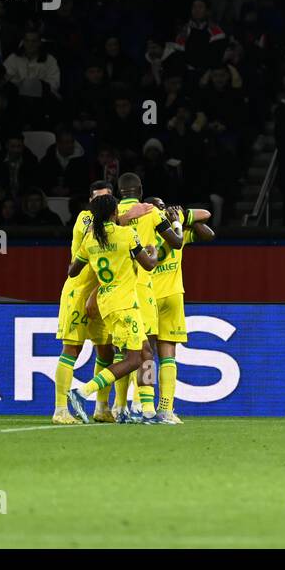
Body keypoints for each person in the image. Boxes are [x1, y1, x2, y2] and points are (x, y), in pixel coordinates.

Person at [63, 194, 159, 424]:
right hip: (125, 302)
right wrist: (153, 251)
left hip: (107, 301)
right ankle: (83, 392)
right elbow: (149, 264)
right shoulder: (127, 234)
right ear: (115, 212)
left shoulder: (90, 240)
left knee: (145, 352)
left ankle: (147, 412)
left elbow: (73, 271)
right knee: (135, 358)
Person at [112, 173, 182, 421]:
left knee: (122, 350)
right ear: (140, 190)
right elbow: (176, 242)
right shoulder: (151, 212)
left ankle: (119, 408)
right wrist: (176, 225)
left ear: (119, 192)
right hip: (142, 287)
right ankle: (147, 407)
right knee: (147, 351)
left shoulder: (110, 214)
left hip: (116, 290)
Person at [147, 197, 216, 425]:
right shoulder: (170, 232)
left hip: (158, 299)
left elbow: (208, 233)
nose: (163, 209)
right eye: (159, 207)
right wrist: (184, 218)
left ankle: (158, 408)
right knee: (152, 356)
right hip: (159, 298)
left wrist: (185, 219)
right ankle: (149, 407)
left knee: (155, 355)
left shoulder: (156, 231)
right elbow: (205, 216)